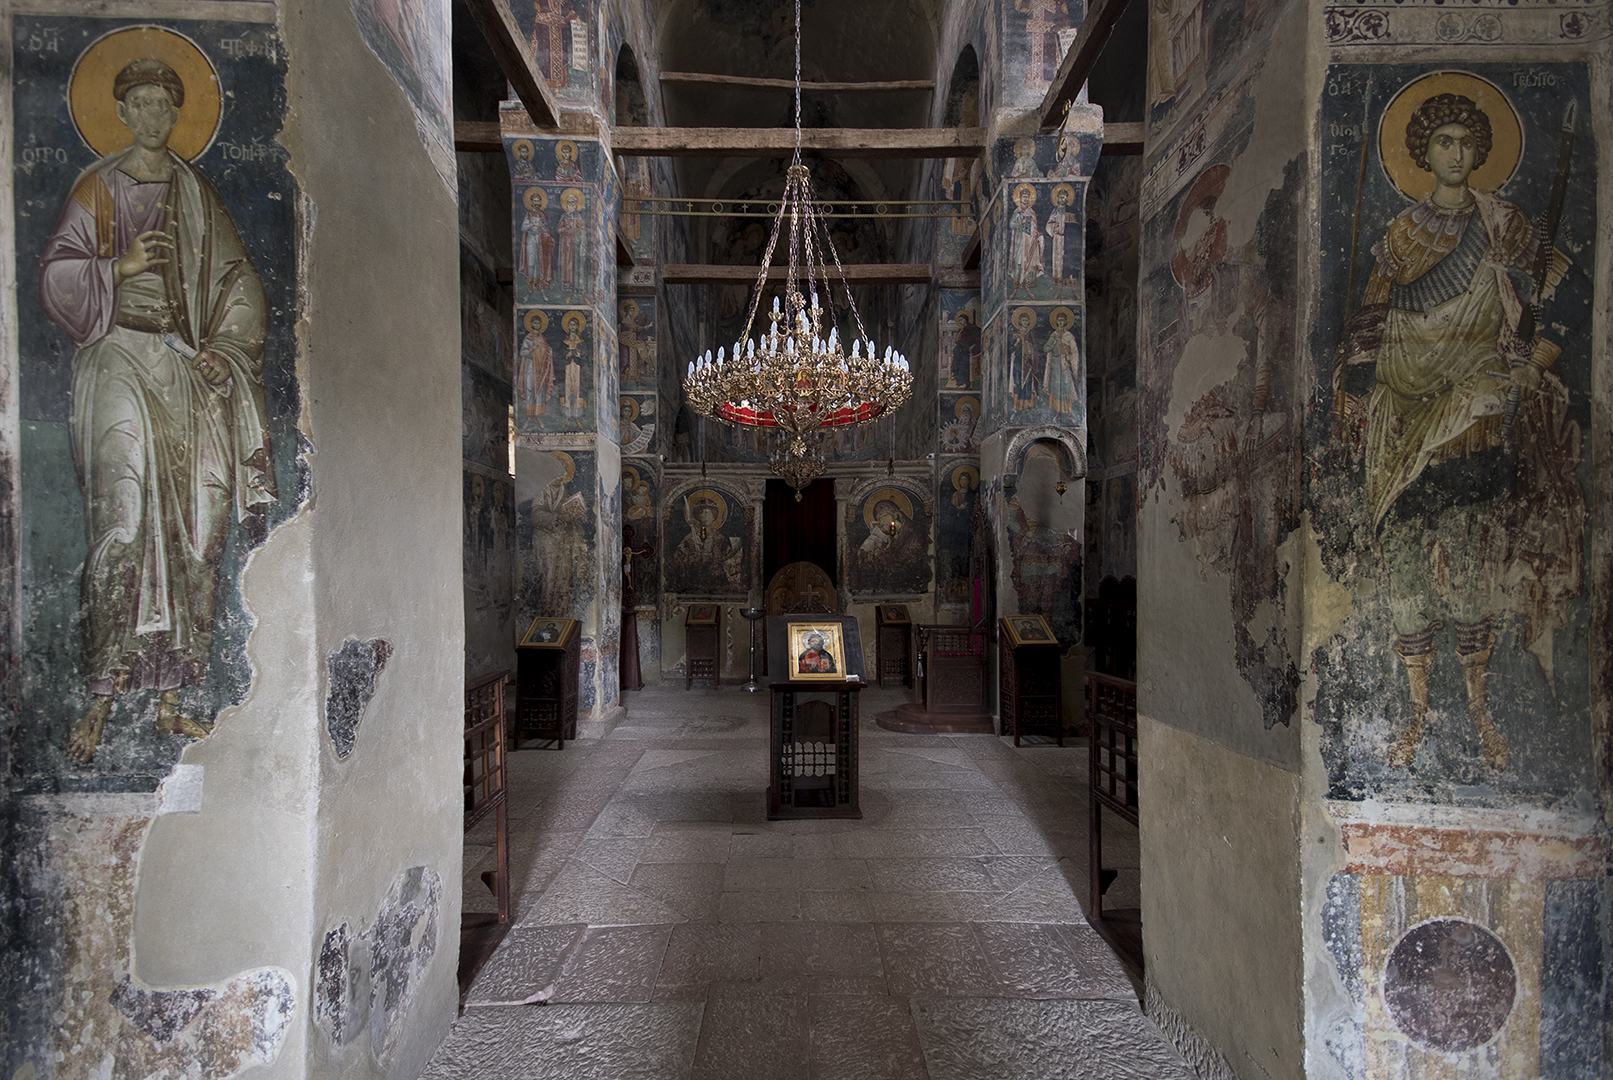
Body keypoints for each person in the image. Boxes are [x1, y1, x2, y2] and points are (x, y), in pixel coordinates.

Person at [40, 58, 275, 764]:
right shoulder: (100, 187)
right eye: (138, 104)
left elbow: (237, 280)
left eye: (162, 105)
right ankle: (101, 698)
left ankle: (172, 701)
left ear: (177, 114)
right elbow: (57, 277)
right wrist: (121, 267)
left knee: (198, 524)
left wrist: (222, 349)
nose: (151, 116)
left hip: (179, 362)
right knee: (125, 520)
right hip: (117, 355)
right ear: (122, 112)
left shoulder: (194, 192)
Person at [1339, 92, 1571, 770]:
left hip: (1471, 410)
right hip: (1402, 411)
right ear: (1422, 152)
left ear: (1479, 152)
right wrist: (1350, 393)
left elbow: (1558, 293)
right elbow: (1370, 321)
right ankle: (1415, 716)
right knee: (1405, 569)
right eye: (1442, 141)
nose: (1455, 153)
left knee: (1468, 562)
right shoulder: (1399, 235)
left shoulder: (1502, 223)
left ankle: (1479, 711)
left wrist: (1534, 362)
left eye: (1465, 142)